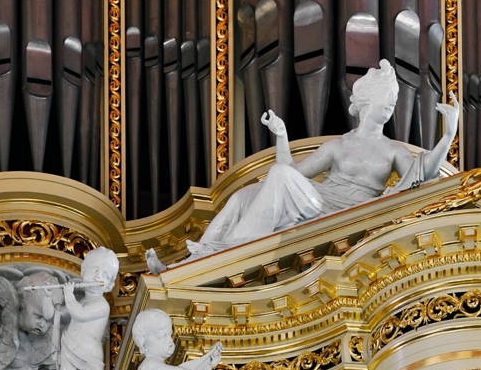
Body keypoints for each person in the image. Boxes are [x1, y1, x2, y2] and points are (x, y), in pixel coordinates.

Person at [184, 59, 460, 258]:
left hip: (353, 212)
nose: (391, 103)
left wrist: (447, 137)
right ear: (365, 101)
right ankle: (201, 254)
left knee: (278, 177)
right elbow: (292, 173)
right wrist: (281, 135)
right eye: (385, 97)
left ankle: (235, 249)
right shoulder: (337, 145)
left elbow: (422, 173)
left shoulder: (393, 150)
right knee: (246, 194)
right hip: (319, 200)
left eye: (393, 98)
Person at [59, 247, 119, 370]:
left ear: (109, 285)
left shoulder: (102, 305)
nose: (97, 276)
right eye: (94, 270)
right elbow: (67, 315)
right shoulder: (83, 300)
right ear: (84, 272)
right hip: (69, 346)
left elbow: (80, 314)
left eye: (104, 274)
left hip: (89, 354)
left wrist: (68, 296)